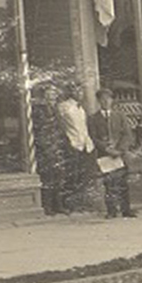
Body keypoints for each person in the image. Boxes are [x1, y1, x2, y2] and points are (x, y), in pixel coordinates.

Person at [88, 90, 136, 219]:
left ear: (112, 100)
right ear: (99, 101)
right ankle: (111, 210)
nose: (106, 102)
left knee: (122, 182)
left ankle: (126, 209)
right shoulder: (93, 118)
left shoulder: (119, 116)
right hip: (105, 155)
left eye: (108, 99)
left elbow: (127, 134)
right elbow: (93, 137)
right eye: (103, 99)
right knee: (109, 183)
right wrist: (106, 149)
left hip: (119, 154)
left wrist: (120, 149)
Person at [55, 86, 99, 215]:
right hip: (73, 144)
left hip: (86, 145)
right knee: (72, 175)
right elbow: (61, 125)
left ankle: (80, 204)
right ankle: (68, 204)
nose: (79, 93)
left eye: (81, 91)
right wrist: (67, 141)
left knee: (84, 176)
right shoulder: (64, 106)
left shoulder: (81, 108)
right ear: (71, 91)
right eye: (76, 90)